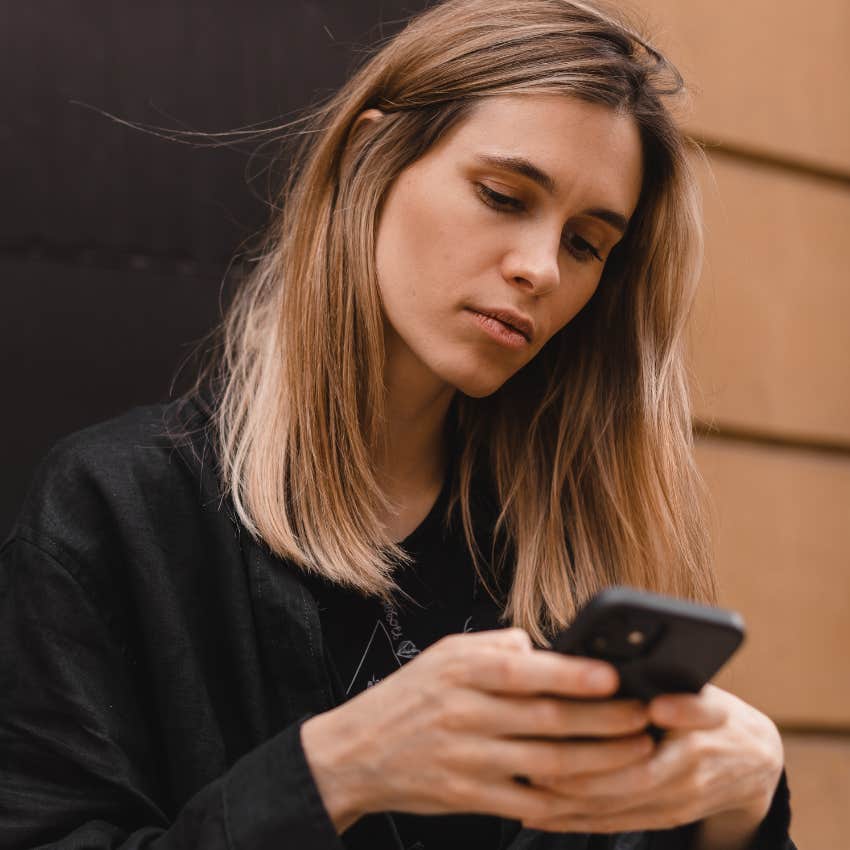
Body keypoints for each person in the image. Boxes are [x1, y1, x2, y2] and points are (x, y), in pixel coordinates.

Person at [0, 0, 795, 848]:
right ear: (369, 156)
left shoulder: (568, 552)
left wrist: (744, 808)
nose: (538, 269)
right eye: (502, 195)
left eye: (587, 245)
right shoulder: (118, 509)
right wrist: (337, 769)